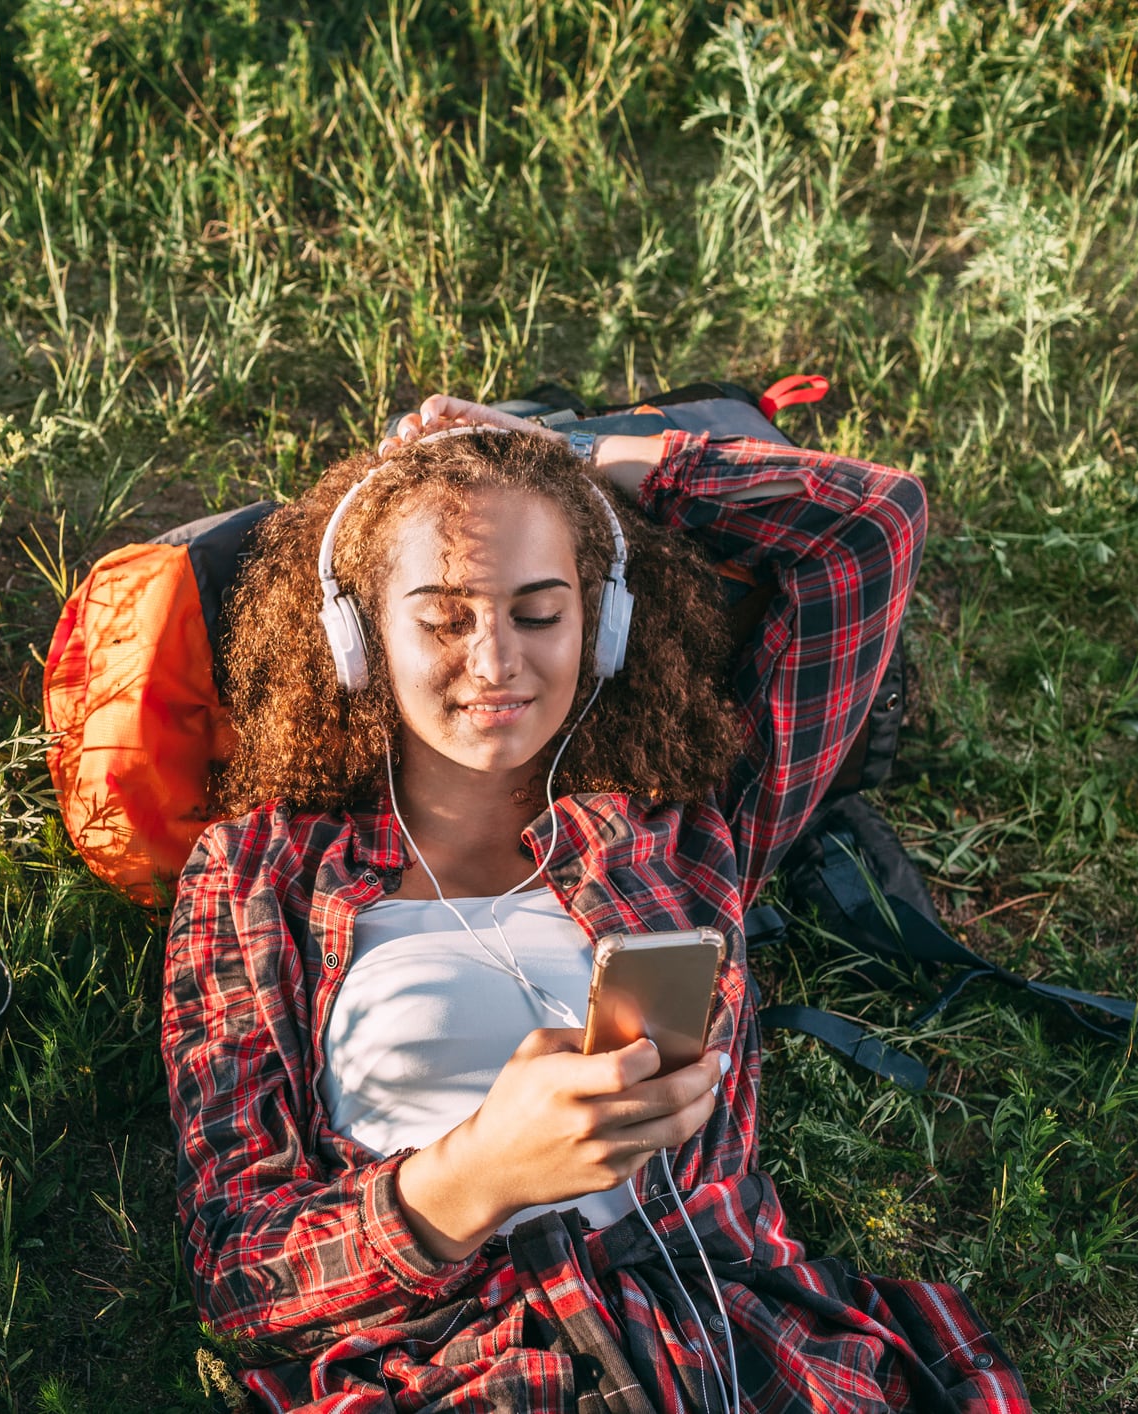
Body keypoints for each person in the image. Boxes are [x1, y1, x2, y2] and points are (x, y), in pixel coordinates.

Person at [161, 395, 1030, 1413]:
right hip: (450, 1369)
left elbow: (869, 526)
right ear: (354, 635)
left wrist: (575, 456)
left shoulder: (687, 830)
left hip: (717, 1340)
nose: (496, 664)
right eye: (443, 617)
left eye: (540, 612)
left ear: (603, 624)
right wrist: (478, 1172)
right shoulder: (260, 872)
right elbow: (241, 1276)